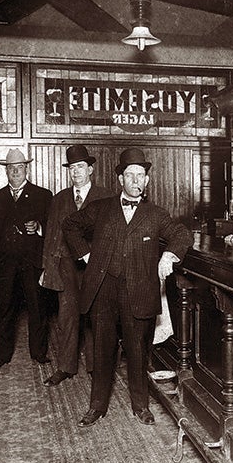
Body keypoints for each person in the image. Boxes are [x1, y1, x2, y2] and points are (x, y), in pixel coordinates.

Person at [63, 148, 192, 427]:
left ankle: (140, 405)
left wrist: (169, 255)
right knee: (102, 351)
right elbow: (70, 224)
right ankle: (96, 406)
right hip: (103, 290)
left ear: (147, 181)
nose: (136, 181)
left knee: (138, 352)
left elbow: (182, 234)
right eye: (130, 175)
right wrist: (84, 254)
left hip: (139, 291)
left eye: (141, 176)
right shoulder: (101, 208)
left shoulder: (156, 214)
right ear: (120, 179)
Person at [40, 144, 114, 387]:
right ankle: (65, 367)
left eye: (80, 167)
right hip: (67, 267)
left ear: (90, 169)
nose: (76, 172)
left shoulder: (105, 197)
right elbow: (51, 235)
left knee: (96, 316)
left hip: (96, 267)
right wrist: (47, 270)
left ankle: (96, 366)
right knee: (67, 316)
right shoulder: (59, 199)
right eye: (72, 168)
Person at [0, 148, 53, 371]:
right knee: (4, 310)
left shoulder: (43, 195)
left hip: (32, 263)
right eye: (11, 168)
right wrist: (6, 231)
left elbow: (52, 226)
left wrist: (39, 226)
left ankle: (39, 354)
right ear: (6, 172)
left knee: (37, 309)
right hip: (4, 264)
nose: (15, 172)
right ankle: (1, 356)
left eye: (19, 167)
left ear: (26, 169)